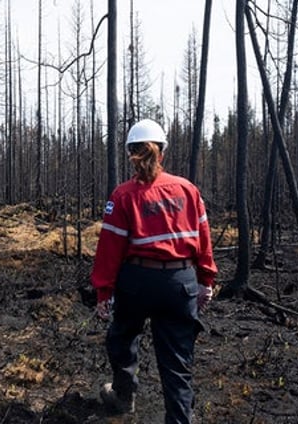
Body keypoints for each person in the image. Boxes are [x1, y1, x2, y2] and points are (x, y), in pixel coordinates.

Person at [91, 118, 218, 424]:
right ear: (162, 152)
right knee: (177, 358)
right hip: (180, 283)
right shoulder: (187, 189)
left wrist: (103, 292)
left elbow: (110, 248)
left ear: (131, 154)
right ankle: (179, 418)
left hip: (137, 282)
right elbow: (204, 239)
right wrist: (206, 281)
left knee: (121, 338)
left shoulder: (123, 195)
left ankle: (123, 396)